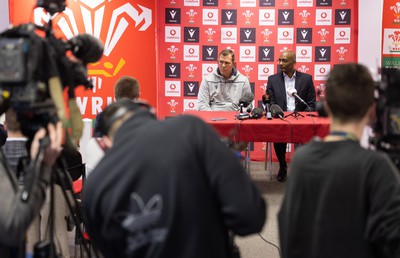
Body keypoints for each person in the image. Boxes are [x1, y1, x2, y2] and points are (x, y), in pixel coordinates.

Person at [82, 98, 266, 258]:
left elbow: (109, 249)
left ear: (103, 143)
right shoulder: (191, 129)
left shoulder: (94, 186)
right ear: (150, 114)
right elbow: (250, 216)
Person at [278, 63, 400, 258]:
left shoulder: (302, 159)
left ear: (325, 105)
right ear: (372, 109)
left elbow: (289, 229)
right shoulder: (376, 167)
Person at [0, 121, 63, 257]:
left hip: (15, 204)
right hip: (41, 195)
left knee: (30, 238)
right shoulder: (38, 150)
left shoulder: (3, 152)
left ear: (6, 125)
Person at [266, 50, 316, 182]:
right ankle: (282, 165)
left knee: (307, 134)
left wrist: (302, 117)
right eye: (280, 60)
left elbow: (311, 104)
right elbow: (270, 103)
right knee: (277, 133)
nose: (281, 63)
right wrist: (277, 113)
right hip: (281, 118)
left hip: (301, 118)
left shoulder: (306, 79)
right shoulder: (272, 80)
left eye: (284, 60)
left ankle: (302, 167)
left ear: (294, 63)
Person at [85, 75, 140, 177]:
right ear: (138, 96)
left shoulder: (101, 118)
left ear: (115, 97)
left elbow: (95, 154)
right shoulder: (144, 121)